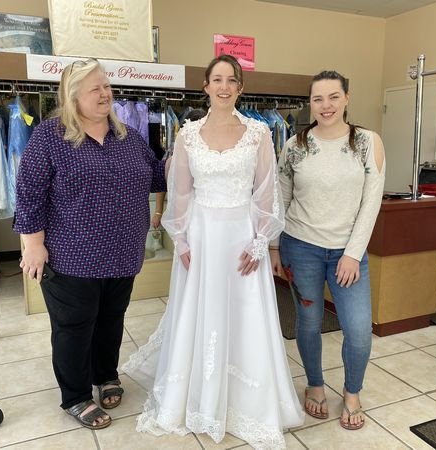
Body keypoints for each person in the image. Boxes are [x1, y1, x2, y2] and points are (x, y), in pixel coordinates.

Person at [122, 54, 304, 448]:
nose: (224, 87)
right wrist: (182, 240)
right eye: (217, 79)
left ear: (240, 88)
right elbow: (180, 193)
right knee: (199, 311)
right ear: (205, 87)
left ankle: (245, 401)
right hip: (202, 236)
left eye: (231, 80)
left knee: (244, 311)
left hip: (242, 237)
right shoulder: (187, 133)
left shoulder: (258, 134)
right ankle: (197, 396)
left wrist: (259, 242)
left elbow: (267, 193)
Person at [14, 58, 166, 430]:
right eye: (95, 87)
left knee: (111, 320)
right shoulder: (50, 136)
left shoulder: (128, 136)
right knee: (74, 327)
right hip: (71, 256)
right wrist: (32, 245)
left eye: (107, 85)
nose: (105, 93)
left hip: (123, 253)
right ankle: (76, 395)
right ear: (72, 95)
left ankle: (106, 374)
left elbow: (159, 174)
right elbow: (29, 193)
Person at [270, 70, 385, 430]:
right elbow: (280, 197)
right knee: (307, 322)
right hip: (299, 247)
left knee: (358, 329)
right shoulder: (295, 144)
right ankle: (315, 386)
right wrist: (273, 245)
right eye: (318, 98)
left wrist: (352, 253)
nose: (326, 105)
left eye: (333, 97)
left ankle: (352, 393)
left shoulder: (367, 142)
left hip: (347, 253)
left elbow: (371, 202)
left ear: (347, 98)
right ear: (310, 103)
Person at [150, 108, 206, 229]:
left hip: (206, 210)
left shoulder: (214, 150)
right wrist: (158, 211)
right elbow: (163, 178)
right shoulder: (176, 148)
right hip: (180, 208)